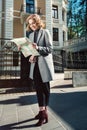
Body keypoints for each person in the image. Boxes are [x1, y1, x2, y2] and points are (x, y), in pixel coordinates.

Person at [22, 14, 54, 126]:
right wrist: (24, 50)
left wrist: (38, 48)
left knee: (45, 90)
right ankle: (42, 112)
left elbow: (50, 49)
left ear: (38, 22)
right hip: (35, 66)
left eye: (34, 23)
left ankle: (43, 113)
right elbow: (30, 52)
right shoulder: (30, 36)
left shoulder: (45, 32)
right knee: (38, 90)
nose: (32, 26)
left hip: (44, 66)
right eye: (30, 24)